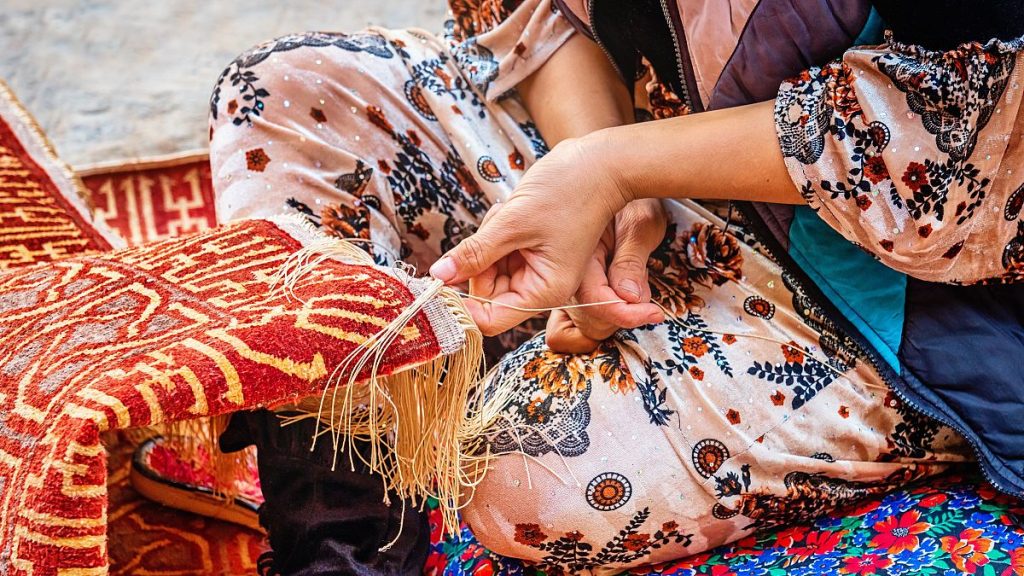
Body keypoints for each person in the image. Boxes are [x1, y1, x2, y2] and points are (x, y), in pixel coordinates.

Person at [209, 1, 1024, 574]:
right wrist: (606, 188)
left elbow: (976, 143)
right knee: (286, 95)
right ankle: (342, 540)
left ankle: (467, 366)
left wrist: (615, 170)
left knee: (523, 480)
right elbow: (543, 17)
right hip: (641, 160)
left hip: (891, 285)